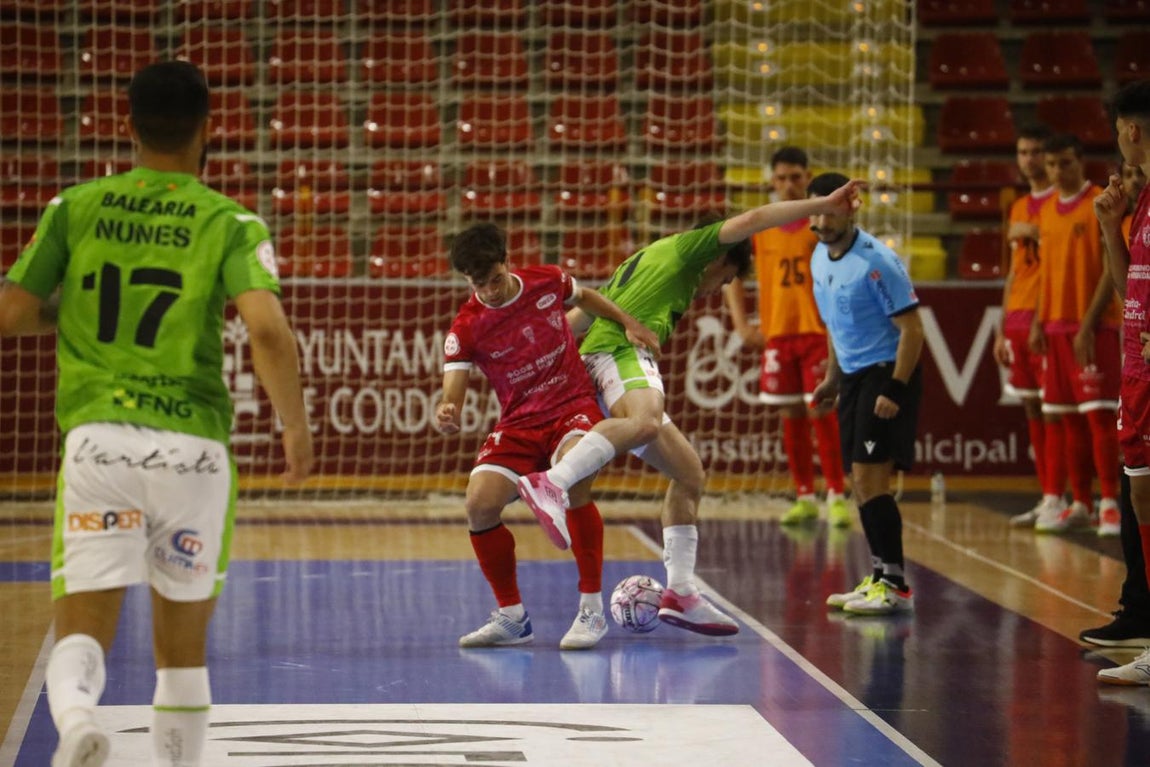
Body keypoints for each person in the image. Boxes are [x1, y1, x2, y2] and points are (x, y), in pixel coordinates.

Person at [0, 61, 314, 767]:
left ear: (126, 125)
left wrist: (74, 312)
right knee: (181, 654)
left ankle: (79, 717)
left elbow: (12, 311)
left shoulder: (72, 208)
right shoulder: (228, 220)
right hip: (192, 450)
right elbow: (267, 330)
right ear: (210, 127)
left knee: (81, 626)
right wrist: (295, 424)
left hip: (99, 447)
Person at [519, 179, 865, 635]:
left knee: (689, 473)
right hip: (620, 355)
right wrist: (824, 203)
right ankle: (551, 484)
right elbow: (753, 221)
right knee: (642, 424)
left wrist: (537, 361)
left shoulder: (646, 260)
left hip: (597, 360)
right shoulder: (689, 251)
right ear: (719, 260)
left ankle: (680, 591)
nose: (714, 291)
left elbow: (582, 315)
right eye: (723, 282)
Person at [434, 222, 660, 650]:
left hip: (571, 405)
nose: (491, 291)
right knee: (479, 504)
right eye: (479, 284)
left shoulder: (547, 280)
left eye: (496, 279)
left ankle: (591, 611)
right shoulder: (467, 326)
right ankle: (512, 617)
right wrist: (449, 409)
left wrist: (628, 323)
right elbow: (454, 387)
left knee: (573, 476)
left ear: (507, 260)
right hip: (518, 423)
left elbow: (587, 297)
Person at [806, 172, 925, 616]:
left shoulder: (878, 262)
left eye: (831, 209)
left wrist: (896, 386)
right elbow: (836, 328)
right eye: (815, 210)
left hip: (886, 372)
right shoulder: (819, 258)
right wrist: (833, 380)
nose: (822, 219)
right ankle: (878, 575)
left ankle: (894, 582)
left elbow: (913, 329)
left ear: (850, 207)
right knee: (859, 481)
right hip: (854, 377)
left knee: (872, 479)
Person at [721, 146, 850, 528]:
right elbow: (733, 273)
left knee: (822, 411)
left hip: (816, 331)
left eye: (796, 177)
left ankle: (838, 495)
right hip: (778, 335)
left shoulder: (821, 223)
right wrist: (743, 325)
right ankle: (805, 496)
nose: (789, 184)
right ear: (771, 182)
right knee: (790, 414)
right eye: (782, 178)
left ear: (807, 177)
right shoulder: (761, 227)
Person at [1029, 133, 1122, 535]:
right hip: (1055, 326)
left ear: (1080, 161)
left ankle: (1111, 505)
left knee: (1100, 417)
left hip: (1094, 326)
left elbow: (1109, 268)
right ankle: (1081, 501)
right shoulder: (1046, 210)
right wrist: (1038, 320)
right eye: (1051, 164)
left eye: (1064, 163)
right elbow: (1044, 274)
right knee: (1065, 419)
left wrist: (1087, 324)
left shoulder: (1100, 202)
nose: (1057, 171)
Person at [1092, 79, 1150, 684]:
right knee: (1140, 500)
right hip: (1137, 371)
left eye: (1117, 130)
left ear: (1131, 130)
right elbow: (1127, 280)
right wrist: (1111, 228)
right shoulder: (1141, 201)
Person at [994, 126, 1062, 529]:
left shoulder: (1060, 202)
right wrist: (1002, 327)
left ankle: (1068, 496)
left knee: (1058, 411)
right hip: (1016, 315)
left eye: (1037, 151)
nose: (1030, 160)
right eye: (1024, 152)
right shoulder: (1018, 205)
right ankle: (1048, 494)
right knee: (1033, 406)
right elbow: (1013, 272)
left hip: (1047, 315)